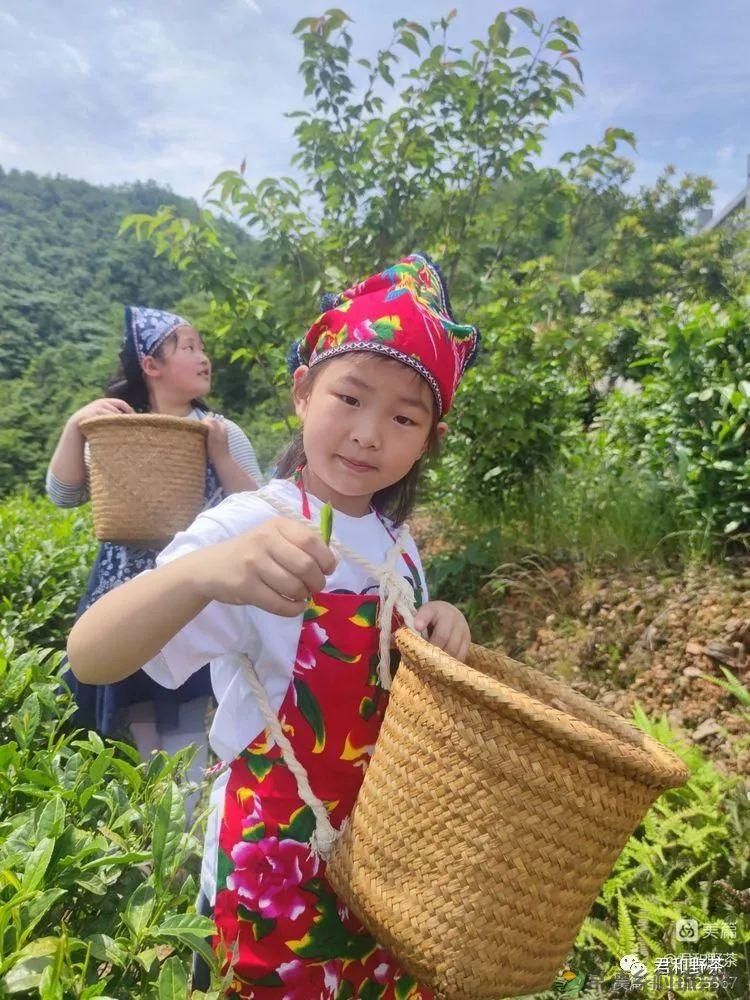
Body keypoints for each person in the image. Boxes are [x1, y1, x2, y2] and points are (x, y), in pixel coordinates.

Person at [66, 253, 480, 999]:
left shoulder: (396, 541)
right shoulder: (255, 521)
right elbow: (91, 654)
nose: (367, 434)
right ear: (301, 393)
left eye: (404, 417)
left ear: (428, 439)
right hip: (269, 870)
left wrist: (439, 621)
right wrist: (203, 572)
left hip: (375, 862)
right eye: (349, 398)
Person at [48, 307, 264, 795]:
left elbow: (262, 507)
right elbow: (63, 496)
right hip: (123, 593)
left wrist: (221, 457)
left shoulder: (220, 431)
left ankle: (188, 829)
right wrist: (74, 426)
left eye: (201, 347)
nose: (203, 357)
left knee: (185, 709)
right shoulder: (111, 430)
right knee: (142, 712)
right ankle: (164, 825)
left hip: (192, 594)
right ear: (151, 364)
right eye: (188, 347)